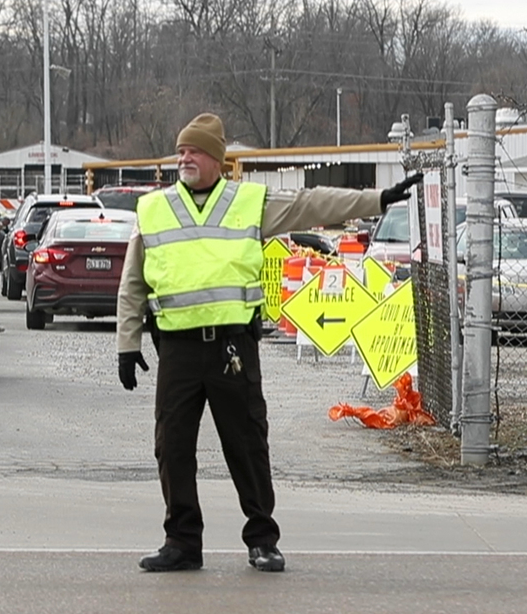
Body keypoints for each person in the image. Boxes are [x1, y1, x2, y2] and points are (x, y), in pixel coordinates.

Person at [115, 113, 423, 573]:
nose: (185, 158)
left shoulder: (249, 202)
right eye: (180, 151)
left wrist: (376, 199)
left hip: (231, 349)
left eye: (194, 151)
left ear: (217, 159)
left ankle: (262, 538)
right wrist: (127, 342)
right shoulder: (154, 209)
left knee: (246, 443)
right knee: (172, 446)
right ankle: (181, 541)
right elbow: (132, 281)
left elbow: (313, 204)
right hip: (177, 350)